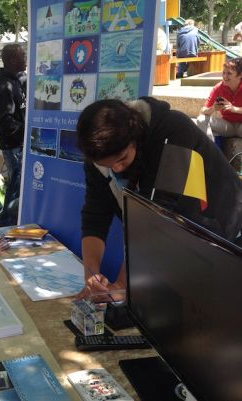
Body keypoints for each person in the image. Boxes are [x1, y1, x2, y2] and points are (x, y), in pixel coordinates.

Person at [75, 97, 242, 299]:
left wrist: (120, 286)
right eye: (108, 165)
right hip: (179, 242)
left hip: (224, 231)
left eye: (122, 159)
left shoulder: (174, 131)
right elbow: (95, 216)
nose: (117, 169)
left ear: (134, 137)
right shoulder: (99, 155)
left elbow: (152, 220)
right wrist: (92, 277)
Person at [0, 44, 27, 227]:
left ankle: (9, 222)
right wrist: (26, 131)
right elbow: (5, 122)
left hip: (19, 143)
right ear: (13, 60)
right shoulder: (4, 86)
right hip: (13, 145)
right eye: (23, 56)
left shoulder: (17, 80)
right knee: (15, 188)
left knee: (17, 188)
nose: (26, 59)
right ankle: (6, 224)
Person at [196, 58, 242, 139]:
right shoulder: (218, 88)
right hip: (227, 125)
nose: (225, 76)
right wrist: (213, 108)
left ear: (240, 75)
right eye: (223, 73)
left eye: (229, 73)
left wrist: (234, 109)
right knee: (201, 119)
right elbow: (203, 111)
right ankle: (211, 150)